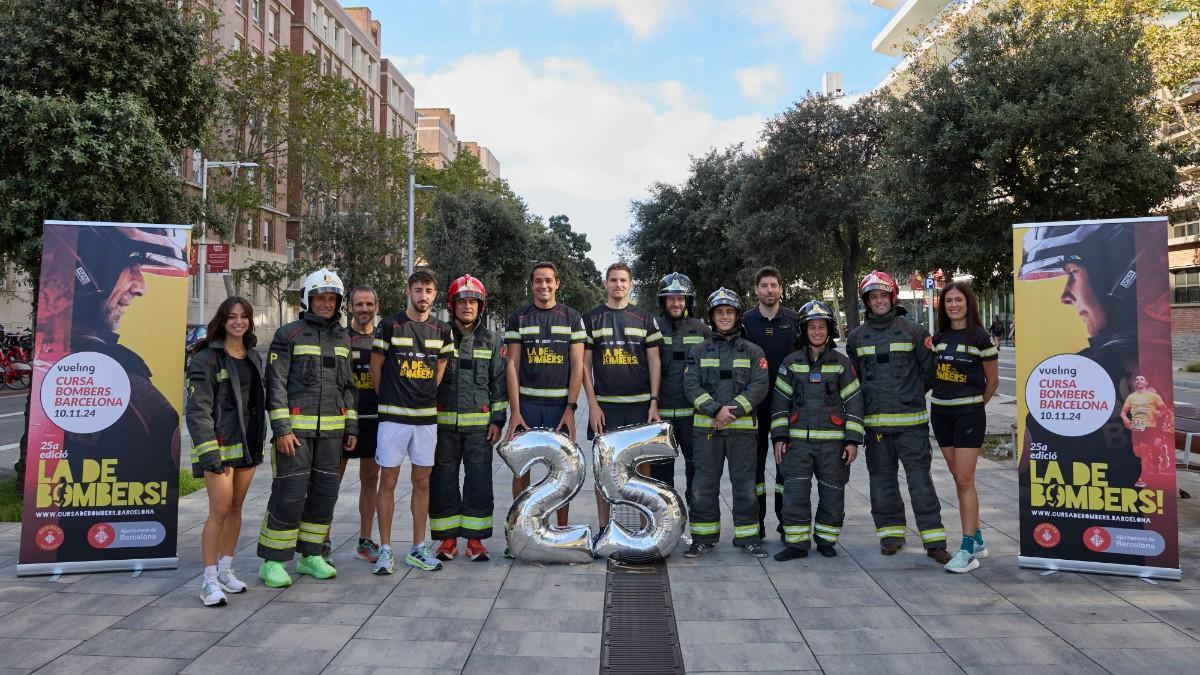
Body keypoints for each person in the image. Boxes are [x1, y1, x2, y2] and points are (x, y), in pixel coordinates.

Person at [59, 226, 188, 560]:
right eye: (131, 267)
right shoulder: (130, 389)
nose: (140, 286)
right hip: (100, 540)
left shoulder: (65, 359)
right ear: (89, 273)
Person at [258, 269, 358, 588]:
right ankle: (273, 561)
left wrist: (351, 426)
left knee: (324, 495)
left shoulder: (343, 337)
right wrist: (283, 428)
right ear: (307, 300)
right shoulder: (288, 334)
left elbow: (348, 386)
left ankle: (311, 555)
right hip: (295, 436)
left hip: (332, 434)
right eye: (320, 298)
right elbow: (275, 385)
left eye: (332, 299)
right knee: (289, 496)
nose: (326, 304)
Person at [847, 271, 949, 564]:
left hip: (911, 426)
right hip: (876, 428)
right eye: (873, 297)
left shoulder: (915, 331)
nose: (878, 301)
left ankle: (934, 541)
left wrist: (911, 393)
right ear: (867, 301)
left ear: (892, 297)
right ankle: (890, 536)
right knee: (881, 484)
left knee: (921, 484)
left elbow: (930, 372)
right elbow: (854, 382)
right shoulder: (856, 337)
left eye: (883, 295)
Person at [370, 269, 454, 573]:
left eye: (428, 290)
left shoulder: (442, 330)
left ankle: (418, 548)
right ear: (409, 291)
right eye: (417, 289)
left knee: (421, 482)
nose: (422, 296)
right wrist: (390, 400)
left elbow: (439, 370)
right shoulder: (390, 325)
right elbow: (375, 367)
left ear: (435, 294)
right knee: (388, 481)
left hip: (426, 419)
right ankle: (386, 549)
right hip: (393, 418)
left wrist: (423, 397)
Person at [186, 296, 266, 606]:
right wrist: (208, 453)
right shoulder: (205, 358)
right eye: (232, 316)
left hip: (246, 445)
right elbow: (198, 410)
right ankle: (207, 581)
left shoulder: (253, 356)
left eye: (243, 316)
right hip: (218, 446)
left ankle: (225, 570)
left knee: (235, 508)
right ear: (223, 320)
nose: (238, 322)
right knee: (218, 510)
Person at [503, 261, 587, 556]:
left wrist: (571, 409)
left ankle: (561, 533)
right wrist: (515, 411)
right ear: (532, 284)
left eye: (548, 281)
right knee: (521, 471)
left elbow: (578, 365)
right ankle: (519, 532)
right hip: (526, 405)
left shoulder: (572, 318)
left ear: (557, 283)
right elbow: (512, 364)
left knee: (563, 470)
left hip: (557, 407)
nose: (543, 286)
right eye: (538, 281)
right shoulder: (519, 317)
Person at [770, 300, 863, 561]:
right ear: (803, 330)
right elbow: (779, 403)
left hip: (834, 445)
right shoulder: (790, 364)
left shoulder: (842, 364)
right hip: (797, 443)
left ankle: (826, 540)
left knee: (832, 494)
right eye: (812, 327)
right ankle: (797, 544)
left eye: (822, 327)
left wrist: (852, 440)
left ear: (829, 329)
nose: (817, 332)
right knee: (795, 494)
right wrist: (779, 437)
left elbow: (854, 402)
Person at [683, 288, 770, 558]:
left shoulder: (754, 351)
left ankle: (748, 538)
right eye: (719, 312)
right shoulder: (698, 351)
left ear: (737, 315)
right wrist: (715, 410)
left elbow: (759, 385)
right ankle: (703, 538)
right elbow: (691, 385)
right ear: (711, 316)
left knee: (744, 486)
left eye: (729, 312)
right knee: (702, 487)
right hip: (707, 431)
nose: (724, 317)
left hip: (742, 433)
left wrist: (731, 412)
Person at [431, 275, 508, 562]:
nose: (467, 307)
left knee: (479, 482)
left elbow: (498, 382)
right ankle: (447, 540)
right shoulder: (439, 336)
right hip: (444, 426)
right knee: (444, 481)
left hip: (479, 428)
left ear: (480, 305)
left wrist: (498, 420)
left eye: (473, 301)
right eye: (462, 301)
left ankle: (475, 541)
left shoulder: (491, 340)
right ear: (452, 305)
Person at [583, 263, 663, 529]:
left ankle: (645, 529)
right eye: (613, 280)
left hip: (641, 405)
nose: (618, 285)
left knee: (642, 470)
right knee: (603, 472)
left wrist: (654, 401)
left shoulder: (644, 318)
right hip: (605, 407)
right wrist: (592, 404)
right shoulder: (591, 319)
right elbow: (583, 365)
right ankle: (604, 529)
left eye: (623, 280)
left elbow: (654, 362)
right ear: (605, 284)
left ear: (631, 284)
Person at [930, 282, 998, 573]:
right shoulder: (940, 337)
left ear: (968, 303)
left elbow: (992, 382)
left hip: (968, 415)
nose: (953, 305)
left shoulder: (980, 338)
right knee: (959, 478)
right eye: (948, 301)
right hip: (940, 413)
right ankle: (979, 537)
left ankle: (968, 549)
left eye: (958, 300)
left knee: (964, 478)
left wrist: (972, 407)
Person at [741, 266, 802, 540]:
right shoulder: (745, 322)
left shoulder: (794, 319)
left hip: (786, 407)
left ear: (781, 288)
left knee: (785, 470)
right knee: (753, 470)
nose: (769, 290)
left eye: (773, 285)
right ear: (756, 290)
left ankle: (786, 523)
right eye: (764, 285)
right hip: (754, 407)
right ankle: (756, 525)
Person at [330, 286, 384, 564]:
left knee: (370, 481)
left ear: (376, 306)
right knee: (331, 483)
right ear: (350, 307)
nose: (364, 309)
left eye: (369, 304)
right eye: (359, 304)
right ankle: (322, 540)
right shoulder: (340, 337)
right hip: (342, 421)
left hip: (373, 420)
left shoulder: (383, 338)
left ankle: (365, 540)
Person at [655, 272, 710, 502]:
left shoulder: (702, 331)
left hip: (693, 417)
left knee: (696, 474)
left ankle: (697, 527)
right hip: (661, 416)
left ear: (688, 301)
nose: (676, 303)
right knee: (660, 477)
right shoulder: (652, 327)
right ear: (663, 301)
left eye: (681, 298)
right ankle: (666, 527)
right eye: (671, 298)